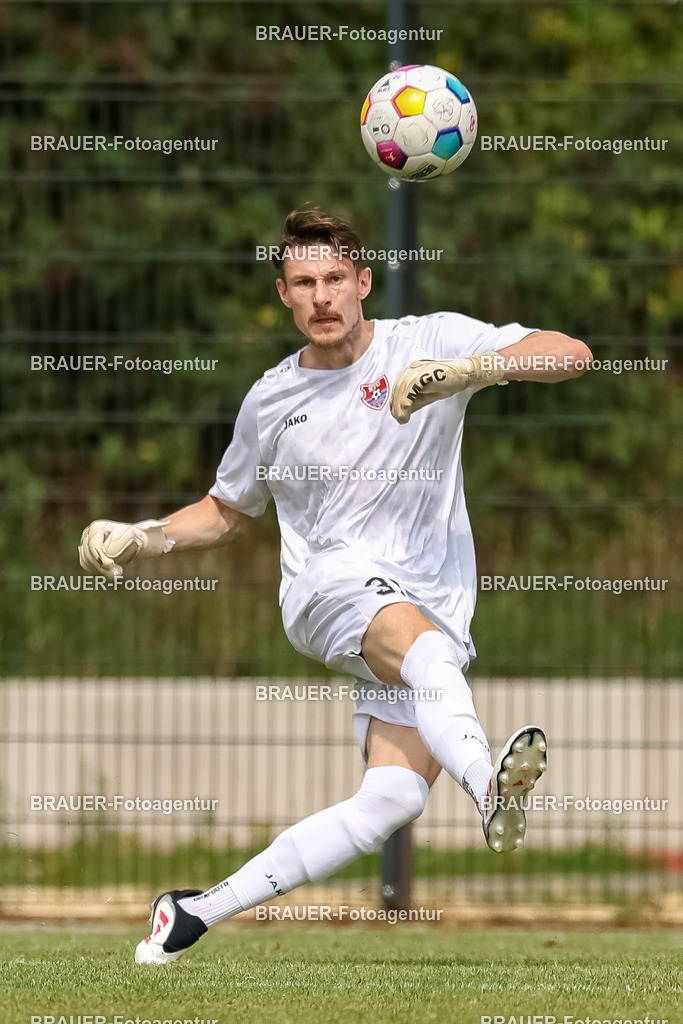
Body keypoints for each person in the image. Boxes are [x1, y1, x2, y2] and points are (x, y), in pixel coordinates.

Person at [78, 208, 592, 965]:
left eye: (332, 280)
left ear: (362, 282)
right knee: (423, 653)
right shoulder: (271, 401)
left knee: (392, 798)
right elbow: (226, 510)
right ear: (284, 296)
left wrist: (473, 370)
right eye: (302, 284)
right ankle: (489, 788)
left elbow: (570, 354)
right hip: (328, 592)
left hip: (424, 599)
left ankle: (190, 912)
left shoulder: (428, 340)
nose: (320, 297)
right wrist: (143, 535)